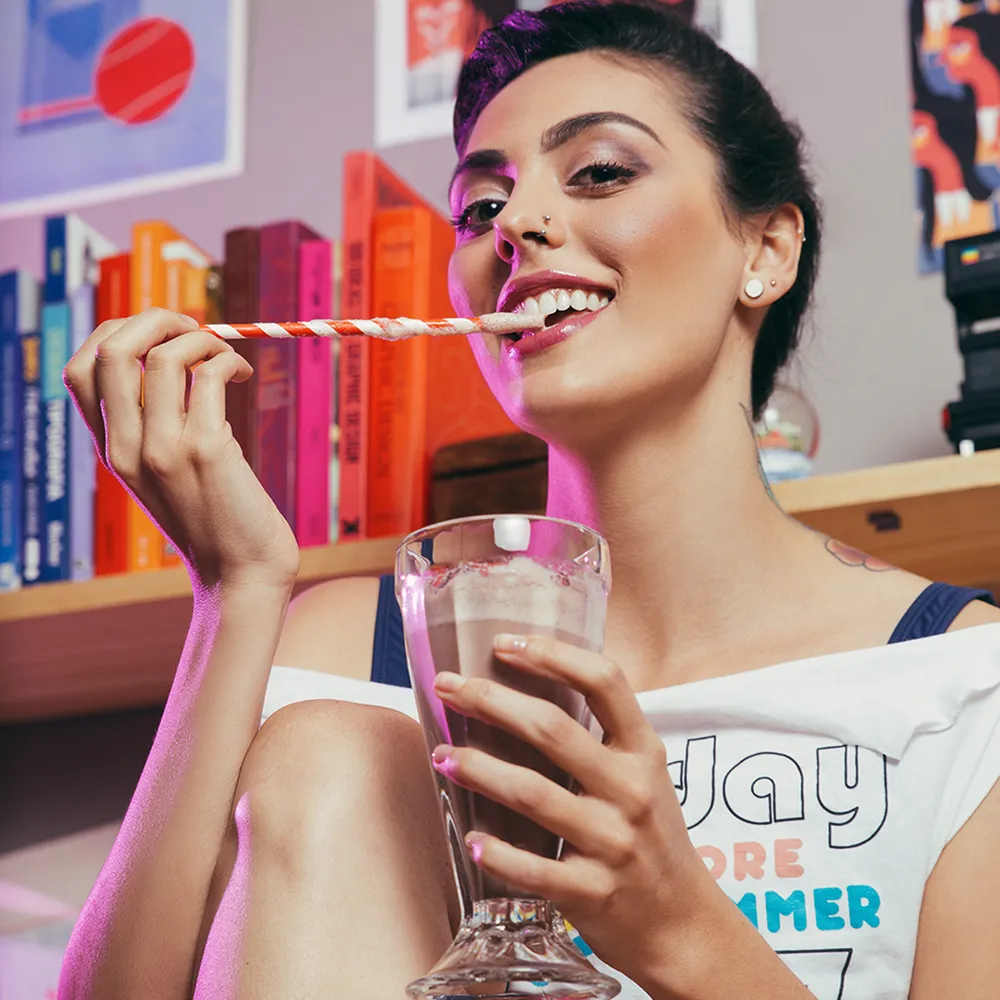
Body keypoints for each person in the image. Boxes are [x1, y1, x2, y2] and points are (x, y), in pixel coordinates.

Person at [59, 3, 1000, 998]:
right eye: (478, 207)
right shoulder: (342, 653)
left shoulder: (961, 682)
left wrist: (682, 932)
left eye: (598, 171)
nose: (513, 225)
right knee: (338, 749)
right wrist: (235, 588)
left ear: (764, 249)